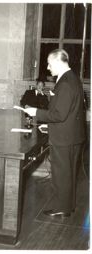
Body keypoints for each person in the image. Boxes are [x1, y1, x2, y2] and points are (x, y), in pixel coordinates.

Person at [23, 49, 86, 218]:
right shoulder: (72, 78)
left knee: (61, 174)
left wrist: (36, 111)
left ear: (58, 62)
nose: (48, 68)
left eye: (50, 64)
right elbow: (69, 112)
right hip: (71, 134)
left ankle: (62, 207)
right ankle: (68, 206)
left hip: (64, 138)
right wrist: (49, 127)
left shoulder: (65, 83)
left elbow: (59, 114)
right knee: (69, 173)